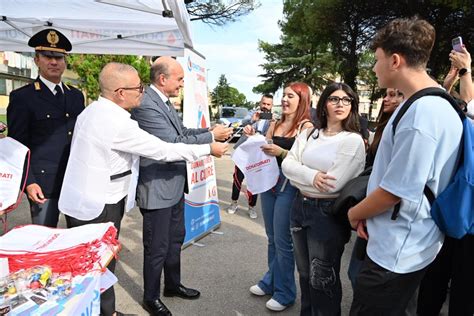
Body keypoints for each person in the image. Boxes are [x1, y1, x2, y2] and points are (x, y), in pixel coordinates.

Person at [58, 62, 228, 316]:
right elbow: (164, 149)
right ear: (120, 93)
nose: (142, 91)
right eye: (138, 87)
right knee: (100, 263)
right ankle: (105, 312)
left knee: (100, 261)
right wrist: (208, 148)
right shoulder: (116, 122)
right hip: (99, 202)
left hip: (93, 196)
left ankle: (108, 311)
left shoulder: (95, 111)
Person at [347, 17, 463, 315]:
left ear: (395, 60)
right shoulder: (438, 103)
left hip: (396, 253)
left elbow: (395, 191)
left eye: (377, 60)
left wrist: (353, 214)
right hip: (410, 243)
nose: (374, 68)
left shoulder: (421, 114)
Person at [130, 56, 232, 316]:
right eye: (179, 79)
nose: (182, 84)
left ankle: (172, 285)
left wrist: (210, 130)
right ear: (163, 79)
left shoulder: (163, 101)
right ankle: (150, 297)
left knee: (175, 239)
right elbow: (172, 142)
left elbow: (183, 132)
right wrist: (210, 141)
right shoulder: (145, 105)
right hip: (157, 188)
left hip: (174, 186)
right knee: (157, 247)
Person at [283, 82, 366, 315]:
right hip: (300, 205)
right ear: (324, 104)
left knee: (322, 278)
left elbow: (333, 184)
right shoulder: (310, 133)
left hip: (326, 213)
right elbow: (287, 166)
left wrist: (300, 175)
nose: (340, 104)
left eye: (346, 100)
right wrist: (312, 176)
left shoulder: (352, 140)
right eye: (334, 99)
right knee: (305, 274)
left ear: (352, 105)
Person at [6, 28, 85, 227]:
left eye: (58, 57)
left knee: (76, 242)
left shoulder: (75, 96)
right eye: (47, 56)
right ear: (36, 60)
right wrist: (29, 182)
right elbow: (18, 147)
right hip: (43, 185)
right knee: (44, 241)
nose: (53, 62)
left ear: (65, 60)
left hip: (74, 181)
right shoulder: (23, 98)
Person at [417, 45, 474, 316]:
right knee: (433, 281)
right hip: (451, 208)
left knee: (463, 292)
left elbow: (471, 116)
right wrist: (447, 86)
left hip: (469, 222)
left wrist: (466, 73)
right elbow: (459, 115)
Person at [248, 82, 313, 312]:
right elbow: (264, 148)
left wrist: (281, 152)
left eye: (290, 96)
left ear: (302, 99)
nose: (284, 100)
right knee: (272, 237)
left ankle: (285, 293)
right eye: (283, 95)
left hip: (289, 186)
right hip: (269, 183)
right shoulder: (275, 122)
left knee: (283, 242)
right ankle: (271, 281)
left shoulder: (306, 126)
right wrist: (254, 138)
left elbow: (305, 160)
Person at [347, 88, 404, 288]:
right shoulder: (383, 127)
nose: (387, 99)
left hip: (385, 211)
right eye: (387, 94)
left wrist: (356, 213)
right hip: (371, 205)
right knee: (355, 271)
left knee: (362, 275)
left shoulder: (404, 127)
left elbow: (395, 187)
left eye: (396, 94)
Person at [227, 94, 274, 218]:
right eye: (264, 103)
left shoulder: (273, 120)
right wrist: (253, 120)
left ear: (272, 106)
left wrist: (272, 124)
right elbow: (242, 123)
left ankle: (252, 207)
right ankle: (233, 203)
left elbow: (271, 138)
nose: (265, 107)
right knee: (238, 177)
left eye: (268, 104)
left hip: (259, 154)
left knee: (255, 180)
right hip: (244, 152)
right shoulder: (252, 114)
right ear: (260, 103)